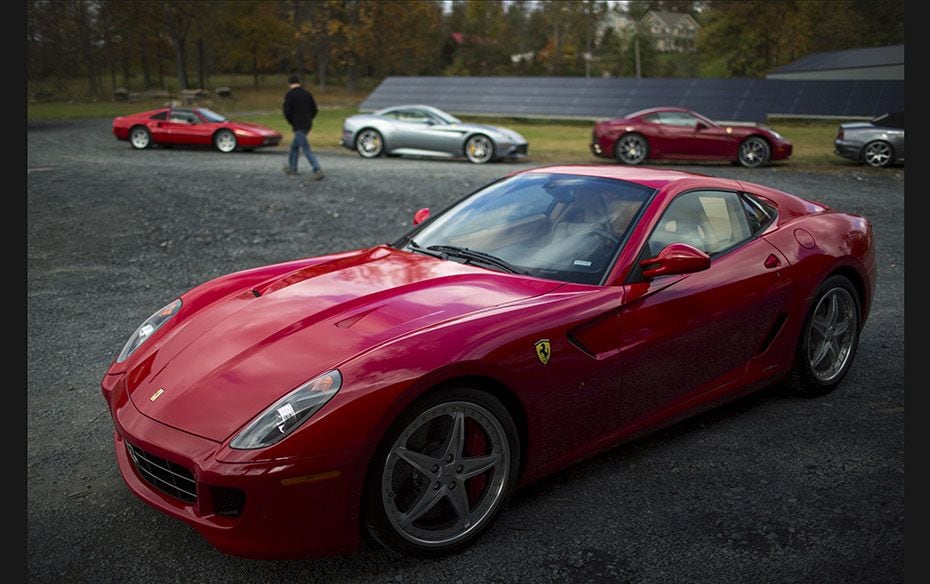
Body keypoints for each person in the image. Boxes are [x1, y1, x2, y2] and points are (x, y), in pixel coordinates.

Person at [283, 74, 324, 180]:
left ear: (289, 84)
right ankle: (292, 168)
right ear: (299, 83)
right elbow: (315, 109)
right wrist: (309, 118)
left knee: (306, 148)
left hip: (298, 125)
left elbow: (287, 111)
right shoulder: (307, 94)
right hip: (307, 124)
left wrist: (291, 122)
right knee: (294, 146)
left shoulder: (290, 95)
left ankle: (317, 169)